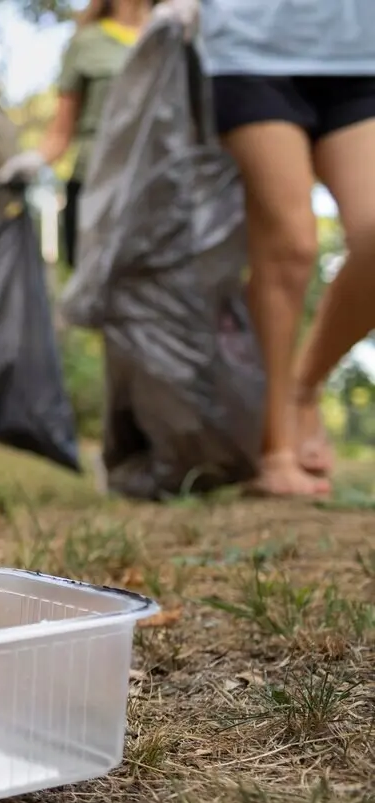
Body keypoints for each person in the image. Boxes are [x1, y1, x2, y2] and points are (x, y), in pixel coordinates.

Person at [150, 0, 375, 497]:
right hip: (247, 50)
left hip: (359, 53)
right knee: (288, 246)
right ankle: (273, 449)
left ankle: (304, 385)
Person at [0, 0, 159, 268]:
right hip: (94, 188)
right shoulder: (87, 44)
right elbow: (61, 132)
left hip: (157, 189)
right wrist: (34, 160)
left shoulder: (175, 35)